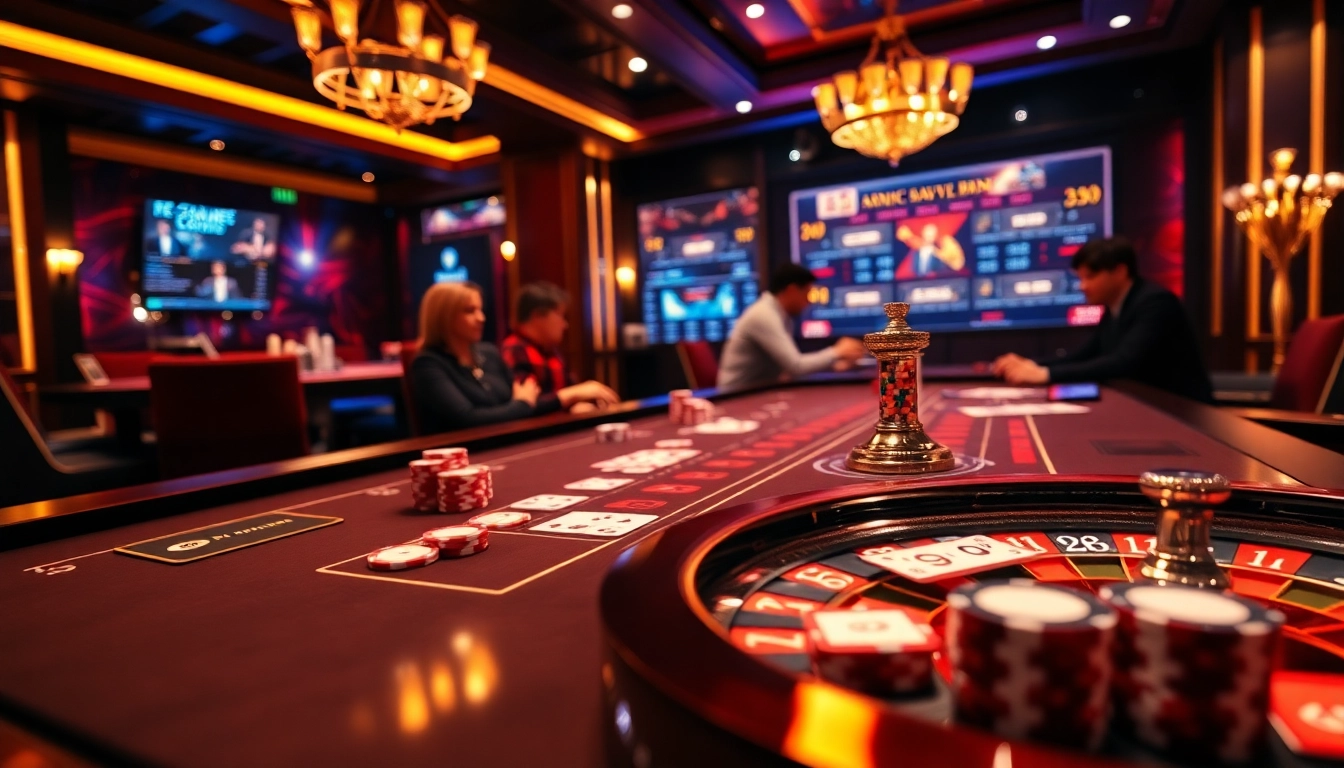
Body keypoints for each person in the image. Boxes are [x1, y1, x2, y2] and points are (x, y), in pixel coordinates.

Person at [992, 237, 1213, 402]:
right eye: (1080, 278)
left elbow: (1124, 362)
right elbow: (1085, 356)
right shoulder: (1115, 306)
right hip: (1146, 405)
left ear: (1120, 271)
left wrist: (1044, 374)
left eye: (1090, 276)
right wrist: (1033, 364)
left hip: (1183, 411)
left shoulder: (1155, 302)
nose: (1083, 286)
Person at [411, 281, 549, 434]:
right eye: (470, 311)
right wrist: (522, 404)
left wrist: (567, 398)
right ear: (443, 317)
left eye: (480, 310)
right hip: (466, 452)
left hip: (506, 442)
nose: (481, 318)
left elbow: (527, 403)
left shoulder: (489, 353)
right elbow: (467, 419)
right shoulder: (428, 364)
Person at [718, 263, 866, 392]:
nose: (809, 301)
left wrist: (836, 365)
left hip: (756, 391)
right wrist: (837, 351)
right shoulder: (763, 315)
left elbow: (790, 371)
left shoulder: (782, 316)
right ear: (792, 290)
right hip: (733, 396)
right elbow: (796, 366)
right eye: (807, 294)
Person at [501, 282, 620, 414]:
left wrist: (577, 405)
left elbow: (568, 395)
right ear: (537, 316)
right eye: (560, 315)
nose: (565, 324)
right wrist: (573, 395)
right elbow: (525, 406)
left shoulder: (550, 351)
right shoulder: (514, 350)